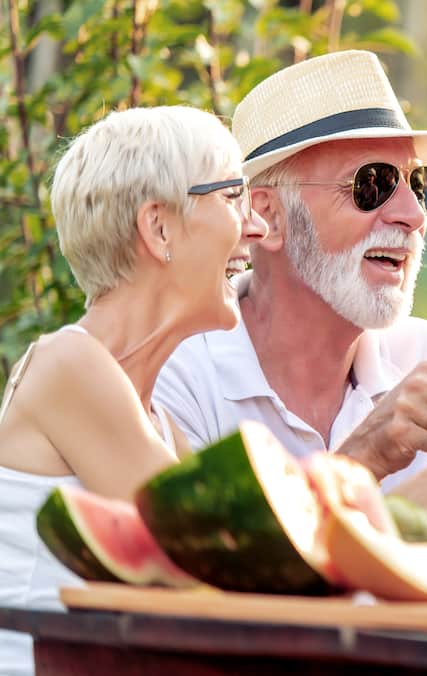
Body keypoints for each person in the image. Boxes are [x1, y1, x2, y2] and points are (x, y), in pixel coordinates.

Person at [154, 50, 427, 508]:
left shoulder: (426, 354)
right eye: (372, 184)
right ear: (268, 216)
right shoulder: (180, 373)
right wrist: (367, 456)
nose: (413, 214)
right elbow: (207, 572)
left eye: (422, 185)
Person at [0, 106, 267, 676]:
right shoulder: (65, 364)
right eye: (232, 197)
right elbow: (221, 560)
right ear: (159, 228)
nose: (257, 226)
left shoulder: (161, 423)